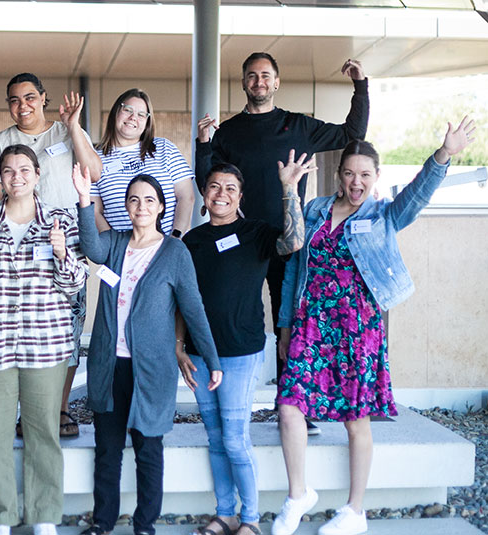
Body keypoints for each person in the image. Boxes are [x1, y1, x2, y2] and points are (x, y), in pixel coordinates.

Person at [272, 117, 475, 535]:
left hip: (359, 329)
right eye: (349, 173)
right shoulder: (316, 210)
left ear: (376, 177)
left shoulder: (384, 215)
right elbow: (293, 266)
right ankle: (297, 496)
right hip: (311, 324)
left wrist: (443, 156)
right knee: (289, 407)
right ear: (339, 174)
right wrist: (285, 325)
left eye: (365, 174)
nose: (356, 181)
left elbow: (416, 197)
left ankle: (355, 511)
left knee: (355, 417)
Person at [195, 53, 370, 435]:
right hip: (240, 243)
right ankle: (227, 398)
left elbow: (351, 133)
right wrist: (203, 144)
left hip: (287, 240)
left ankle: (291, 407)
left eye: (266, 76)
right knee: (230, 314)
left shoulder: (298, 125)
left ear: (276, 83)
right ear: (243, 82)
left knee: (288, 321)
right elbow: (207, 183)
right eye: (252, 75)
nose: (259, 81)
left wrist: (360, 85)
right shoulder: (228, 132)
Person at [73, 164, 222, 535]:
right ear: (126, 205)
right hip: (110, 364)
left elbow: (193, 308)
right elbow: (91, 247)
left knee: (148, 449)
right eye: (134, 199)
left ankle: (144, 524)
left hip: (151, 368)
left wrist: (212, 358)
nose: (141, 205)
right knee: (107, 449)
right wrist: (83, 200)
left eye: (149, 200)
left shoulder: (174, 252)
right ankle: (103, 522)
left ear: (161, 207)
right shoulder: (115, 243)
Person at [0, 145, 87, 535]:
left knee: (43, 431)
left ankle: (44, 516)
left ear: (38, 174)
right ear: (1, 178)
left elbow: (76, 284)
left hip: (45, 344)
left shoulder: (60, 221)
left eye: (24, 170)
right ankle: (0, 518)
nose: (17, 177)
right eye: (8, 171)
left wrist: (62, 254)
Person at [176, 151, 313, 535]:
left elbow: (294, 241)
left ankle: (250, 518)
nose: (221, 193)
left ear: (240, 196)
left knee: (236, 439)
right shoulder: (193, 241)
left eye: (230, 188)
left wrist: (289, 190)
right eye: (215, 186)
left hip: (241, 352)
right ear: (204, 194)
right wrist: (178, 345)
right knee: (215, 438)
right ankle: (226, 513)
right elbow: (184, 301)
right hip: (201, 355)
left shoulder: (256, 233)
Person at [0, 72, 102, 437]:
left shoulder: (66, 133)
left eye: (29, 97)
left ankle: (60, 409)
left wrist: (74, 126)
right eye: (14, 100)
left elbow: (93, 171)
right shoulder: (0, 142)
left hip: (67, 249)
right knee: (19, 333)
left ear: (43, 98)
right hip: (21, 255)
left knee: (66, 332)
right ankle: (23, 412)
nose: (22, 106)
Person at [91, 88, 195, 237]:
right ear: (115, 113)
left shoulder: (164, 148)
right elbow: (95, 212)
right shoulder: (95, 158)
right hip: (123, 253)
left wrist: (175, 239)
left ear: (147, 123)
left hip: (168, 245)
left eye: (141, 114)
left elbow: (186, 197)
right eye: (128, 110)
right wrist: (114, 246)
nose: (133, 117)